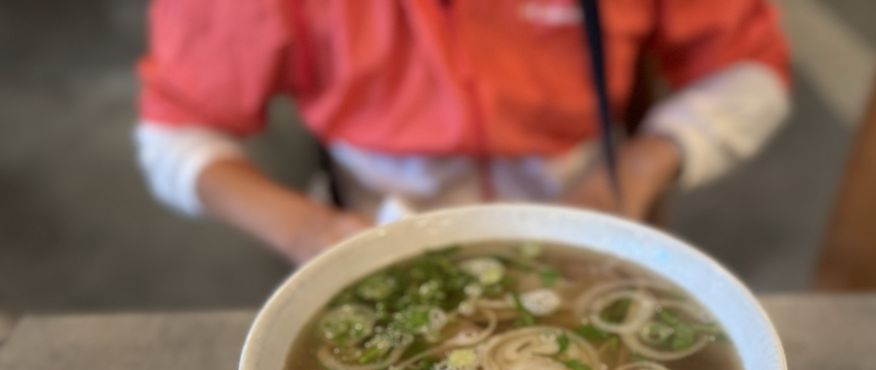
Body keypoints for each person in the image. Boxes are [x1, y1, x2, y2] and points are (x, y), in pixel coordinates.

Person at [136, 0, 790, 264]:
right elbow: (176, 129)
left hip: (580, 215)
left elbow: (751, 70)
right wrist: (306, 230)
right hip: (370, 225)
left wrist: (643, 166)